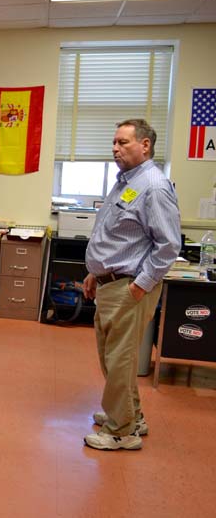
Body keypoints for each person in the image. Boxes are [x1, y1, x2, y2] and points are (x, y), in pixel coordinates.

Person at [82, 119, 181, 451]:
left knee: (120, 359)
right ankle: (131, 415)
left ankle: (121, 431)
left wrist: (140, 285)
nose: (115, 148)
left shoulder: (153, 186)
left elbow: (168, 245)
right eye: (114, 142)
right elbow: (116, 235)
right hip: (111, 283)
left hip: (129, 286)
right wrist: (95, 272)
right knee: (114, 359)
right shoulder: (128, 182)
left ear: (145, 145)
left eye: (123, 142)